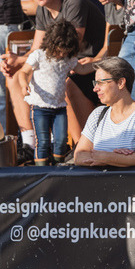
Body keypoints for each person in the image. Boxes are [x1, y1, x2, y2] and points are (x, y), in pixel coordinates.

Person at [2, 0, 105, 150]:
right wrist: (19, 61)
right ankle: (30, 143)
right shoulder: (43, 9)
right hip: (64, 65)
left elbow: (68, 48)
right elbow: (38, 48)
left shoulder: (74, 2)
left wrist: (28, 62)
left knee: (61, 80)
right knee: (15, 76)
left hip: (87, 65)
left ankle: (75, 147)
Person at [16, 20, 84, 166]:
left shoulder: (68, 60)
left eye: (64, 52)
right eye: (58, 51)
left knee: (61, 140)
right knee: (43, 141)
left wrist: (100, 63)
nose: (61, 55)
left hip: (59, 107)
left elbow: (82, 69)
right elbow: (24, 72)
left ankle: (58, 167)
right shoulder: (39, 55)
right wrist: (23, 85)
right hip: (40, 107)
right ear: (51, 44)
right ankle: (41, 170)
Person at [73, 57, 135, 167]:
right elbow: (79, 156)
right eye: (95, 83)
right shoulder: (98, 114)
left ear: (120, 83)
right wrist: (117, 158)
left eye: (101, 83)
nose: (95, 89)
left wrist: (105, 157)